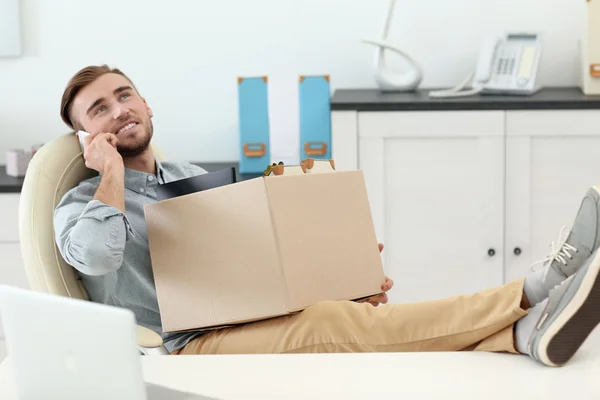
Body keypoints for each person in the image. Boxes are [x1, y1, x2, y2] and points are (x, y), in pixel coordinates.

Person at [53, 64, 600, 367]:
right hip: (183, 344)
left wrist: (339, 277)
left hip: (244, 314)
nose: (119, 109)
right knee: (338, 325)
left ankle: (520, 334)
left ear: (148, 106)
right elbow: (100, 258)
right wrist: (110, 176)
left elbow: (251, 264)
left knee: (354, 311)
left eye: (125, 96)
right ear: (85, 136)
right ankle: (534, 288)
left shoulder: (192, 175)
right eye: (99, 109)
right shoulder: (80, 205)